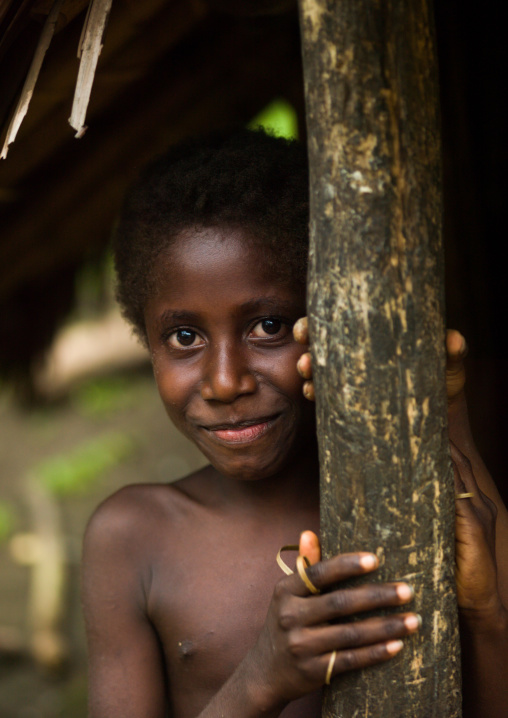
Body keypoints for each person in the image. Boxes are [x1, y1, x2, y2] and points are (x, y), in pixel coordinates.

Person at [82, 128, 508, 718]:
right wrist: (258, 681)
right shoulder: (131, 536)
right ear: (145, 341)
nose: (226, 381)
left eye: (269, 327)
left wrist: (486, 617)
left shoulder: (416, 500)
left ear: (326, 319)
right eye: (185, 337)